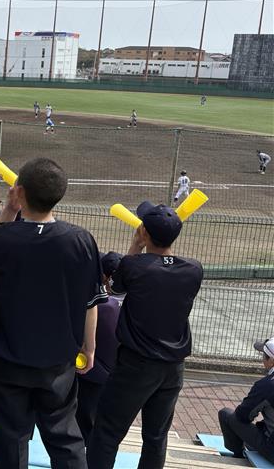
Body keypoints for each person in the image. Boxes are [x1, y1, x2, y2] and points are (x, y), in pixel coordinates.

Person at [0, 157, 107, 469]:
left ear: (20, 192)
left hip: (6, 360)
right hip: (58, 362)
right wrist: (90, 347)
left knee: (11, 440)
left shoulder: (1, 238)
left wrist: (9, 209)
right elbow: (90, 302)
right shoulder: (80, 240)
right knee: (65, 439)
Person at [87, 201, 203, 469]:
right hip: (173, 367)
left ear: (144, 232)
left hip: (136, 364)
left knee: (107, 432)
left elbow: (114, 288)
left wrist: (135, 246)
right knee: (156, 437)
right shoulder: (193, 269)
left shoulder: (135, 266)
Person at [75, 251, 123, 446]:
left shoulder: (99, 306)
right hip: (111, 375)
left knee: (82, 426)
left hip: (89, 374)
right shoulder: (118, 304)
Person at [218, 338, 274, 463]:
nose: (262, 359)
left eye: (263, 355)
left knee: (226, 415)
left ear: (271, 360)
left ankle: (239, 456)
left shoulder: (267, 385)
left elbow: (243, 415)